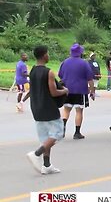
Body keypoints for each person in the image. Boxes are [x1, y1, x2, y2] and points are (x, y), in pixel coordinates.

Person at [27, 45, 69, 175]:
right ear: (45, 55)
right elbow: (54, 92)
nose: (48, 55)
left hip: (36, 106)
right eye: (48, 53)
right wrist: (65, 90)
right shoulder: (49, 72)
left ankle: (47, 165)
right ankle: (36, 154)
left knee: (45, 138)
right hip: (48, 107)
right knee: (58, 133)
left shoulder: (32, 70)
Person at [59, 43, 95, 140]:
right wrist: (92, 91)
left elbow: (60, 75)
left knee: (66, 109)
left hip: (67, 90)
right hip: (80, 90)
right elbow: (90, 79)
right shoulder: (84, 63)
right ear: (80, 52)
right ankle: (77, 132)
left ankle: (62, 129)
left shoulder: (65, 62)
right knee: (79, 111)